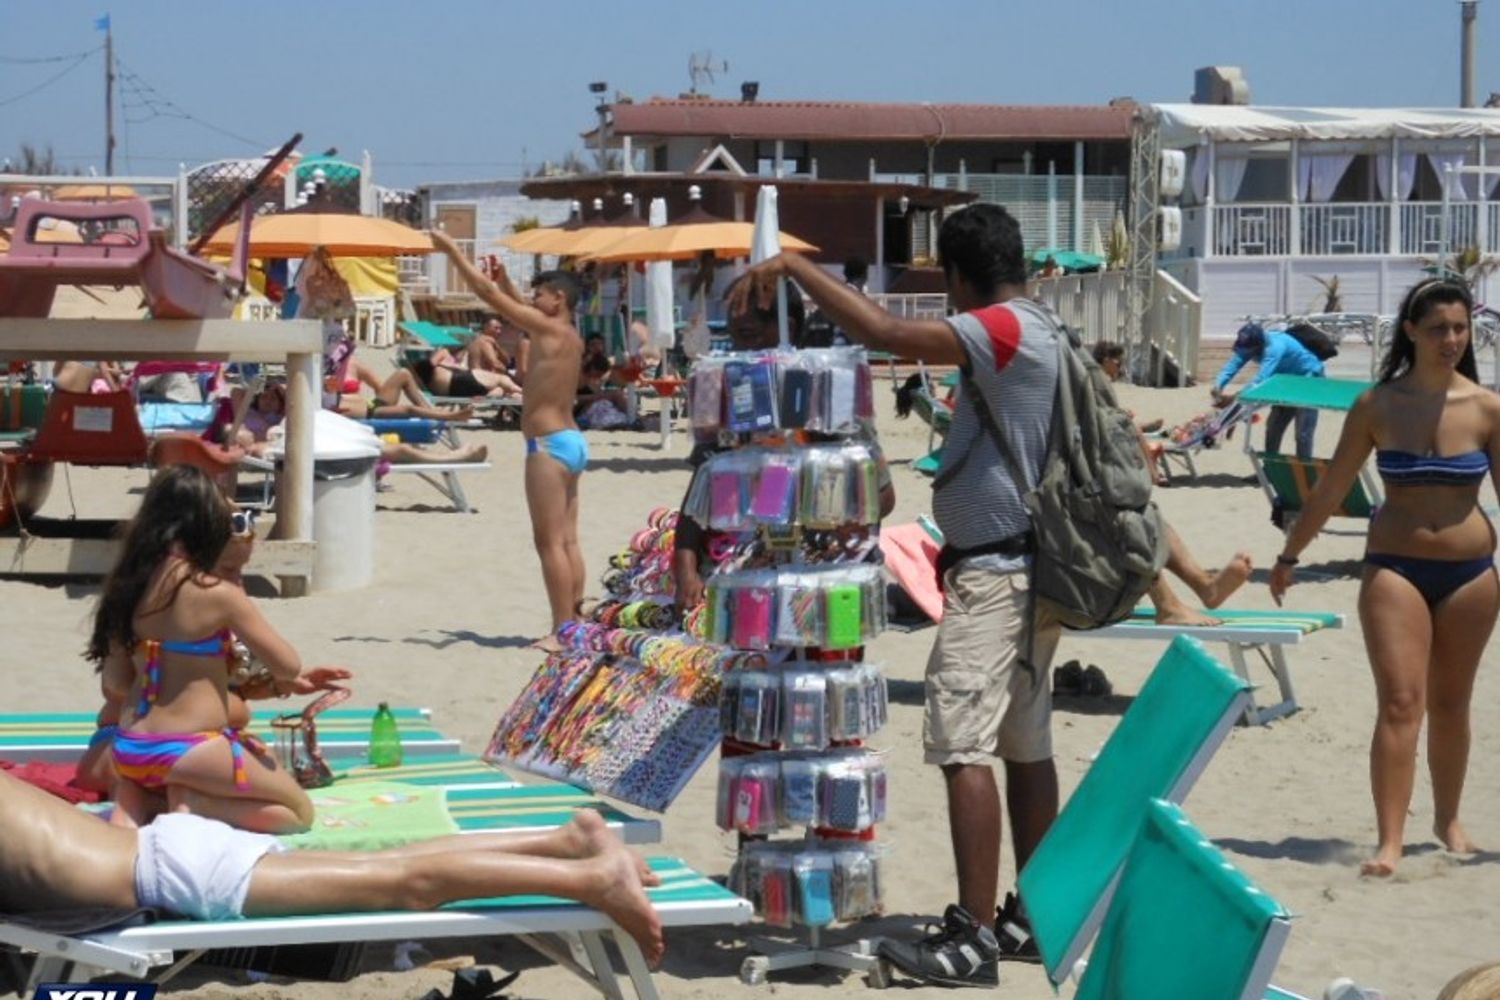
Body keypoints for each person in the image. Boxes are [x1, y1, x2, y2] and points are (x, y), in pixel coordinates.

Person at [735, 203, 1061, 986]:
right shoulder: (1045, 326)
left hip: (996, 576)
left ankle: (972, 936)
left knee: (961, 749)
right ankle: (1037, 915)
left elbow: (883, 332)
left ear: (955, 275)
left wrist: (797, 268)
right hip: (1029, 569)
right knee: (1025, 746)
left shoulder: (1002, 327)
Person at [1270, 278, 1499, 878]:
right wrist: (1291, 555)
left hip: (1473, 576)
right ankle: (1390, 842)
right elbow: (1331, 487)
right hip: (1395, 568)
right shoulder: (1377, 405)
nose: (1451, 340)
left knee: (1452, 704)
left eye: (1459, 328)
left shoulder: (1486, 408)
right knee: (1401, 701)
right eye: (1438, 329)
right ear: (1410, 333)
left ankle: (1447, 818)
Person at [0, 770, 664, 965]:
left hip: (174, 875)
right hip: (169, 851)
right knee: (392, 865)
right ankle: (564, 843)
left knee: (406, 888)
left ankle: (588, 879)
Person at [86, 465, 353, 834]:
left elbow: (116, 684)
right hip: (189, 747)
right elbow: (288, 664)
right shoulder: (216, 594)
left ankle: (143, 799)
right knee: (296, 813)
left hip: (130, 747)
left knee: (201, 769)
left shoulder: (125, 590)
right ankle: (195, 802)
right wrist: (284, 676)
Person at [672, 276, 896, 611]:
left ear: (786, 327)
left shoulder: (829, 398)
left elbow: (883, 496)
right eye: (733, 336)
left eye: (747, 335)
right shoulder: (728, 401)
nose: (738, 349)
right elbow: (695, 506)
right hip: (746, 579)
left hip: (823, 579)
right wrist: (686, 574)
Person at [432, 233, 588, 652]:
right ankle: (576, 622)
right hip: (572, 440)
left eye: (539, 295)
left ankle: (560, 630)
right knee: (569, 540)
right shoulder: (568, 333)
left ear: (558, 298)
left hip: (549, 446)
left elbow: (487, 295)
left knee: (549, 542)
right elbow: (520, 310)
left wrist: (452, 251)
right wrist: (506, 283)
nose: (533, 301)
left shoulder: (548, 327)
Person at [1212, 322, 1325, 459]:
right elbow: (1233, 365)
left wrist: (1236, 396)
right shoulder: (1250, 344)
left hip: (1309, 381)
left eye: (1249, 351)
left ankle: (1305, 473)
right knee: (1273, 427)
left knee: (1303, 432)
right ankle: (1269, 471)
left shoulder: (1275, 348)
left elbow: (1261, 379)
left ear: (1259, 346)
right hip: (1285, 383)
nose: (1247, 354)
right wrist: (1218, 386)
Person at [410, 348, 523, 400]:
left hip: (454, 390)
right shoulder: (443, 352)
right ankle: (524, 393)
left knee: (500, 389)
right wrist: (454, 366)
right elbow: (431, 363)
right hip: (457, 380)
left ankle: (486, 399)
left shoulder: (420, 373)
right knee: (501, 379)